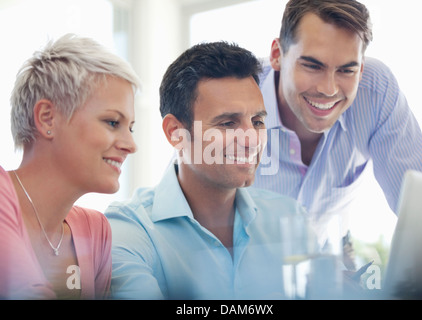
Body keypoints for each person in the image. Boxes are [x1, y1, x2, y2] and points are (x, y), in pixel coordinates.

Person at [105, 41, 308, 300]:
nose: (251, 140)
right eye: (227, 123)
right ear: (175, 133)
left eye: (257, 122)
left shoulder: (290, 217)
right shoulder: (130, 230)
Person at [253, 0, 422, 241]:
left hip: (330, 262)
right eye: (313, 66)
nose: (329, 89)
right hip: (241, 269)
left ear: (361, 69)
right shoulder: (235, 96)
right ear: (277, 55)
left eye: (346, 70)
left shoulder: (376, 92)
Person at [0, 33, 140, 299]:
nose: (130, 145)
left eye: (130, 128)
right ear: (47, 118)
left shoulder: (96, 230)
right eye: (112, 122)